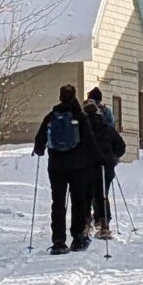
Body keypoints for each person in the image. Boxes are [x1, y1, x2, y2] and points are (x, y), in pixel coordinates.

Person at [33, 83, 99, 252]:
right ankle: (77, 238)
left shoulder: (51, 116)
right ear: (74, 96)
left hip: (56, 167)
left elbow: (39, 144)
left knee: (58, 203)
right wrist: (100, 158)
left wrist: (40, 149)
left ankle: (58, 241)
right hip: (78, 166)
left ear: (60, 97)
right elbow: (90, 141)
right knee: (78, 201)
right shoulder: (80, 116)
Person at [83, 86, 125, 234]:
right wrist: (112, 156)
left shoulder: (83, 122)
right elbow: (118, 143)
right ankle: (103, 220)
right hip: (106, 163)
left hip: (87, 164)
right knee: (102, 194)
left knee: (86, 194)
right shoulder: (107, 116)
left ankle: (87, 221)